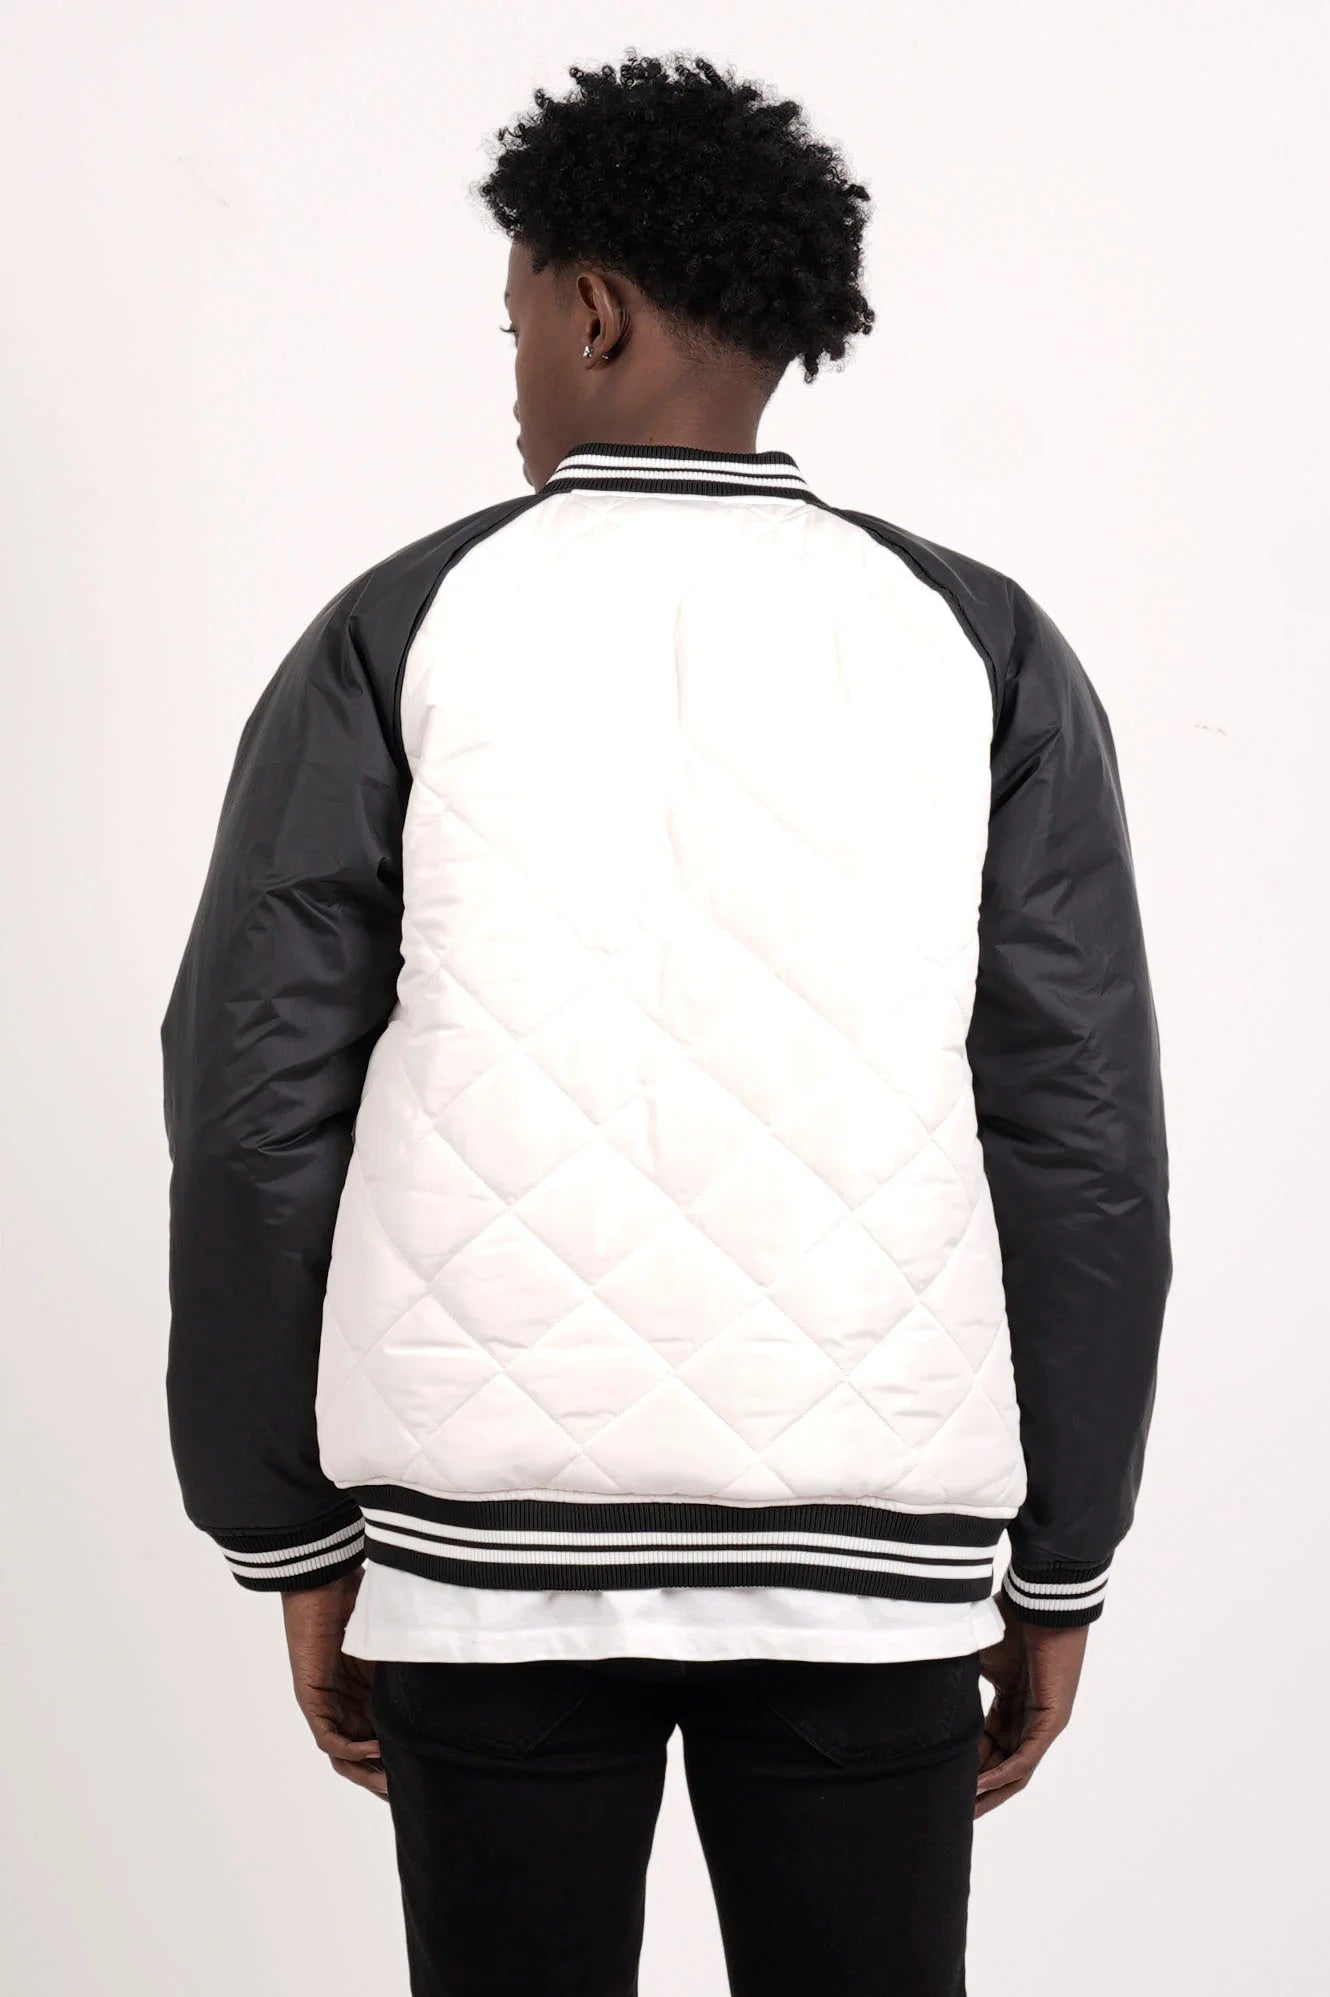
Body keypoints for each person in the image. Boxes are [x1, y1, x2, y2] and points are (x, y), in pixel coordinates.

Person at [161, 51, 1171, 1997]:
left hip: (482, 1566)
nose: (514, 373)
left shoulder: (405, 623)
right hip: (867, 1565)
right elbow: (1080, 1133)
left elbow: (252, 1105)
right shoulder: (973, 640)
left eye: (514, 322)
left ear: (594, 310)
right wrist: (1062, 1557)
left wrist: (284, 1530)